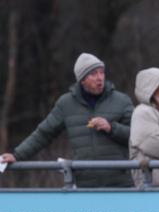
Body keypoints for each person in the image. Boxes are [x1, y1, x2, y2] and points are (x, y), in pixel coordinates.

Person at [0, 54, 134, 188]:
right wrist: (17, 155)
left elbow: (136, 137)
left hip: (121, 185)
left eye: (102, 72)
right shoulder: (66, 104)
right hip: (85, 186)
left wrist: (111, 128)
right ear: (82, 80)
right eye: (93, 74)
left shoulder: (122, 101)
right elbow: (43, 133)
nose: (100, 78)